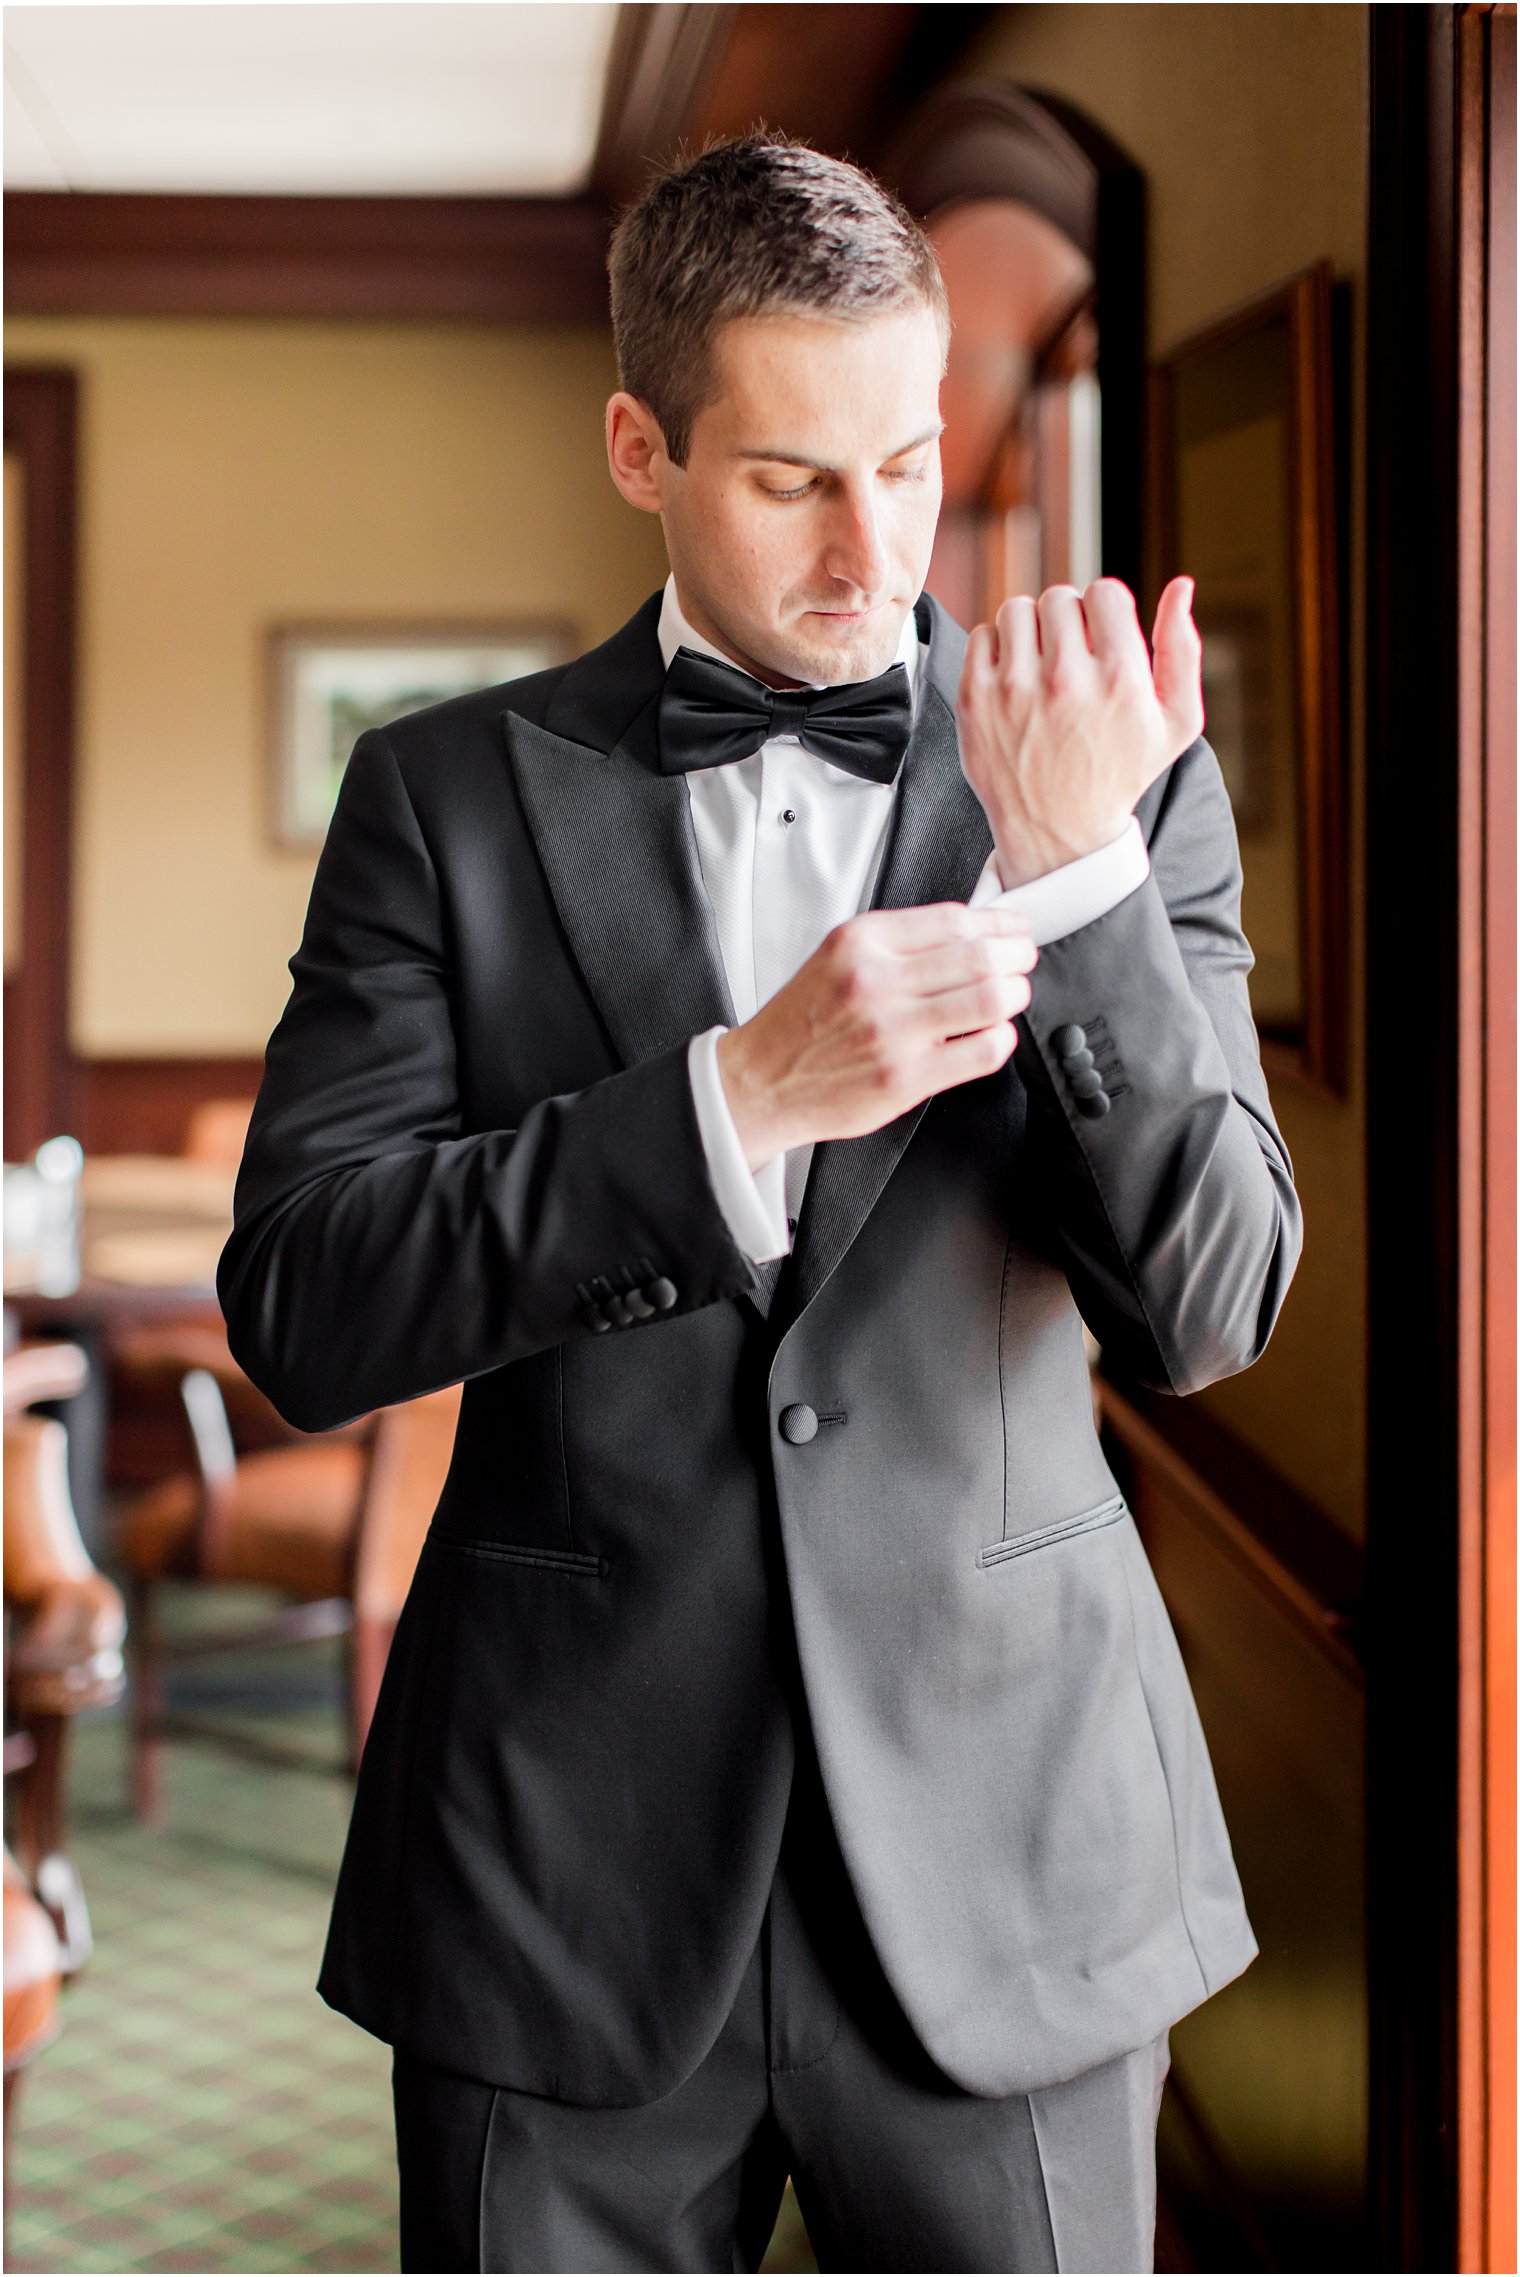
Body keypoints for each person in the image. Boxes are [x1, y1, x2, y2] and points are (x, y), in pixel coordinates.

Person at [218, 135, 1302, 2275]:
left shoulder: (1115, 771)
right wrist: (722, 1104)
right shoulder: (438, 800)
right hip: (560, 1886)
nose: (871, 547)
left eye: (906, 462)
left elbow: (1211, 1300)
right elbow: (306, 1301)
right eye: (792, 476)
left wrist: (1080, 882)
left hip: (1018, 1879)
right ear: (640, 442)